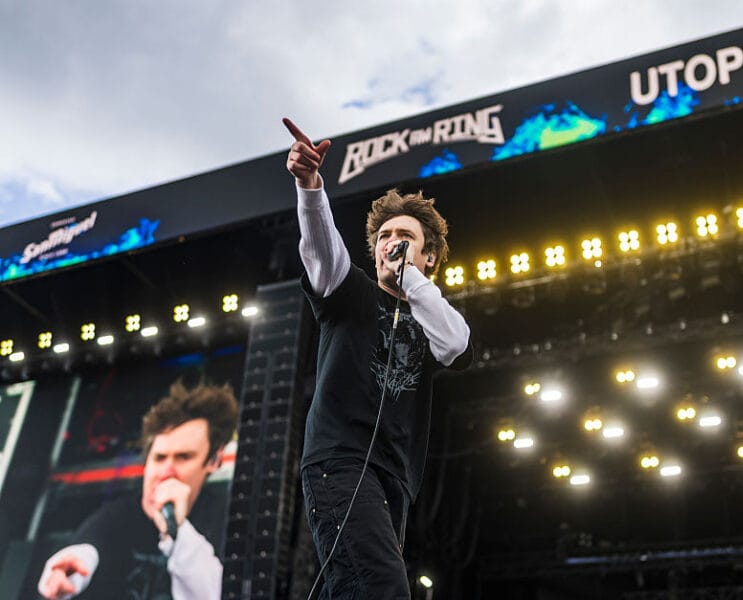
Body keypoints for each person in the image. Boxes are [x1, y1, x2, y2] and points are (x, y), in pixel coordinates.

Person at [284, 117, 472, 599]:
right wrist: (310, 187)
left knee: (348, 587)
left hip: (395, 477)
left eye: (406, 236)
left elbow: (456, 346)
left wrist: (412, 280)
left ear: (429, 257)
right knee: (383, 587)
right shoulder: (349, 294)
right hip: (339, 462)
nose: (393, 242)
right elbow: (322, 251)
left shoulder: (433, 313)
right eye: (386, 235)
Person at [37, 381, 239, 600]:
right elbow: (89, 548)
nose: (165, 471)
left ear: (214, 460)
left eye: (183, 457)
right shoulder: (117, 517)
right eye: (159, 458)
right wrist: (68, 571)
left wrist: (177, 530)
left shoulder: (226, 519)